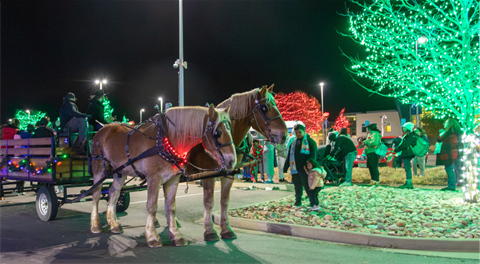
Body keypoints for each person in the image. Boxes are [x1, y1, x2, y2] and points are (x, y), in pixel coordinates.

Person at [284, 124, 317, 207]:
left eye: (299, 132)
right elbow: (289, 156)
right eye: (296, 132)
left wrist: (311, 167)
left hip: (305, 169)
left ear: (304, 131)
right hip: (295, 168)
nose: (298, 134)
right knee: (297, 186)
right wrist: (285, 167)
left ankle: (313, 203)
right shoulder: (293, 143)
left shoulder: (310, 142)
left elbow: (313, 156)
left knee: (308, 186)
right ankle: (298, 202)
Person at [437, 118, 463, 191]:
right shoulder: (459, 132)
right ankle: (461, 182)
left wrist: (442, 133)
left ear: (449, 124)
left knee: (449, 168)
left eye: (446, 123)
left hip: (449, 152)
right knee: (458, 168)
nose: (445, 124)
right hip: (457, 152)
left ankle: (451, 186)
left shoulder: (448, 132)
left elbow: (439, 139)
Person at [394, 122, 417, 189]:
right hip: (406, 153)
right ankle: (408, 182)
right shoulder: (408, 135)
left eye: (404, 127)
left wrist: (397, 149)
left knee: (407, 168)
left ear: (408, 128)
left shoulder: (410, 135)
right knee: (407, 168)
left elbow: (405, 144)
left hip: (407, 154)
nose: (403, 129)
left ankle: (409, 183)